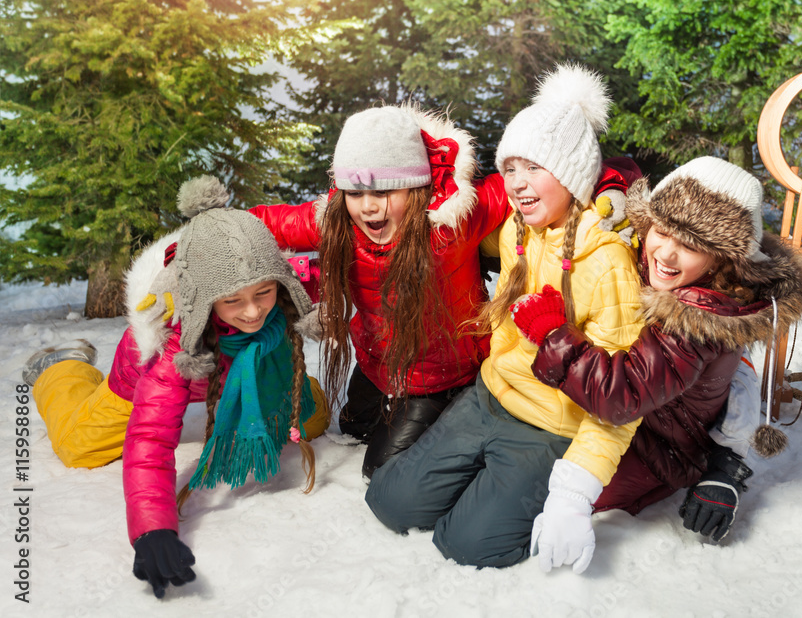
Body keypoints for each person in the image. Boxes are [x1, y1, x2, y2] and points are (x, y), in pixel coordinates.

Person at [248, 103, 635, 479]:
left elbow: (556, 168)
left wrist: (611, 186)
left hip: (439, 376)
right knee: (351, 429)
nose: (367, 208)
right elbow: (267, 223)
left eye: (384, 193)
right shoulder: (338, 224)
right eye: (355, 193)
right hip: (376, 364)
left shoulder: (456, 218)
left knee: (380, 469)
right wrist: (195, 245)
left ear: (416, 187)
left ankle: (453, 405)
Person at [365, 63, 645, 572]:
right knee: (388, 501)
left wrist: (573, 493)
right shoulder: (518, 230)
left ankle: (510, 498)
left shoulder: (606, 261)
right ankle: (479, 483)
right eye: (510, 168)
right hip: (489, 397)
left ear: (573, 176)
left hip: (550, 426)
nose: (517, 183)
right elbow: (457, 224)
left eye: (535, 167)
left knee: (469, 545)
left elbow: (619, 399)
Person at [24, 176, 329, 598]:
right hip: (139, 381)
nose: (254, 311)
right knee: (80, 444)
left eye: (264, 292)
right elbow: (151, 438)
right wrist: (153, 530)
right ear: (203, 298)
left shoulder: (282, 299)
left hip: (234, 376)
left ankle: (268, 386)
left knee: (311, 417)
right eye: (232, 300)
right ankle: (65, 368)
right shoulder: (171, 345)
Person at [512, 156, 802, 542]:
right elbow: (612, 167)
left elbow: (621, 395)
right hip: (627, 422)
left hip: (659, 450)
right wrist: (610, 190)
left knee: (527, 494)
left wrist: (553, 333)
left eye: (689, 245)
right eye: (662, 231)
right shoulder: (662, 265)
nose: (666, 253)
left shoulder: (698, 320)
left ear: (723, 259)